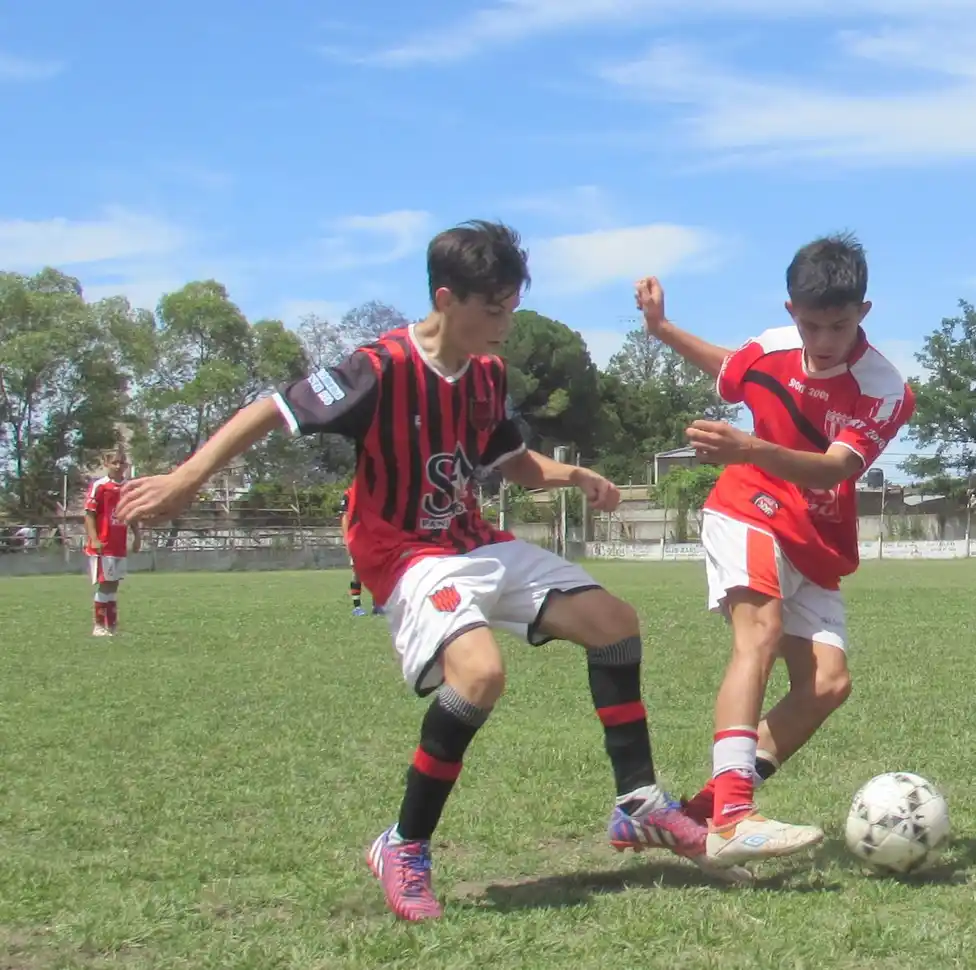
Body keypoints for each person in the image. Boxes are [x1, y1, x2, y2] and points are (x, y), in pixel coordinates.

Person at [117, 219, 726, 922]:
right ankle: (403, 844)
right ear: (446, 297)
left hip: (470, 539)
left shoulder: (489, 374)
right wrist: (187, 478)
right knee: (480, 674)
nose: (506, 322)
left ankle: (638, 805)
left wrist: (575, 473)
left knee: (615, 625)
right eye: (492, 308)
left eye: (512, 305)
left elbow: (514, 465)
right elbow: (270, 411)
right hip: (402, 552)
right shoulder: (377, 368)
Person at [633, 232, 915, 869]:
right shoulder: (772, 346)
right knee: (757, 633)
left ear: (863, 315)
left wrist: (749, 446)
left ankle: (697, 815)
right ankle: (735, 815)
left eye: (838, 326)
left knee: (828, 686)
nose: (822, 340)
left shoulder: (883, 388)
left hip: (813, 534)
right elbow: (729, 366)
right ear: (792, 312)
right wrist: (662, 329)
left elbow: (832, 471)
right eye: (811, 324)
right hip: (746, 506)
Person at [83, 448, 142, 637]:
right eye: (114, 462)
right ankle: (99, 625)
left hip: (119, 543)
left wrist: (137, 536)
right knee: (104, 583)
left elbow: (132, 515)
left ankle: (112, 625)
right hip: (103, 543)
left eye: (121, 462)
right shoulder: (99, 486)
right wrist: (94, 538)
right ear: (106, 464)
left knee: (114, 584)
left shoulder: (128, 487)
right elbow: (89, 514)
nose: (118, 466)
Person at [339, 486, 382, 617]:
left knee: (377, 570)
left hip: (373, 536)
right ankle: (357, 607)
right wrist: (347, 539)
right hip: (357, 537)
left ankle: (377, 605)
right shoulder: (349, 493)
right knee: (357, 572)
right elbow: (345, 517)